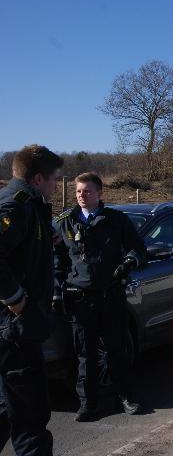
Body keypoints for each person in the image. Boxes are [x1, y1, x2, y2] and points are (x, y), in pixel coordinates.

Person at [53, 172, 146, 422]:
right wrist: (57, 291)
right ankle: (88, 403)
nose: (82, 196)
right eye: (78, 192)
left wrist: (128, 262)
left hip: (110, 295)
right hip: (79, 299)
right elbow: (56, 260)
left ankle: (125, 397)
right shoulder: (64, 223)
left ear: (100, 193)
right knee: (85, 354)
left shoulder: (116, 220)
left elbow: (139, 248)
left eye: (87, 191)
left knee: (116, 350)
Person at [0, 144, 62, 456]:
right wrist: (16, 300)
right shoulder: (16, 206)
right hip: (16, 328)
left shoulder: (30, 207)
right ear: (38, 179)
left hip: (22, 327)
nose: (57, 185)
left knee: (8, 410)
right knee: (31, 419)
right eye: (54, 179)